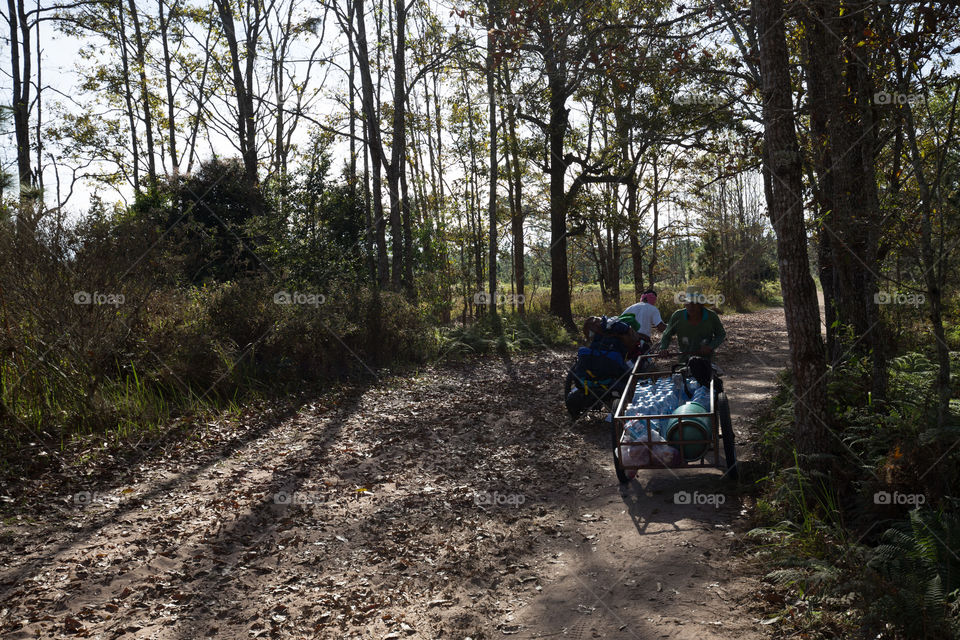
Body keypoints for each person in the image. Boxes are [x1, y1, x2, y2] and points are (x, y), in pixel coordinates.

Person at [658, 287, 726, 362]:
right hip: (684, 360)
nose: (691, 306)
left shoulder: (711, 316)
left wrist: (710, 347)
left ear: (701, 305)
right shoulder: (677, 316)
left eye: (694, 303)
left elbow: (721, 334)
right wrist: (663, 348)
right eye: (688, 303)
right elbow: (667, 334)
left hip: (706, 360)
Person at [619, 289, 667, 356]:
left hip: (623, 340)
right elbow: (661, 328)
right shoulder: (653, 309)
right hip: (640, 341)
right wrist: (672, 326)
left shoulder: (630, 307)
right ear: (654, 299)